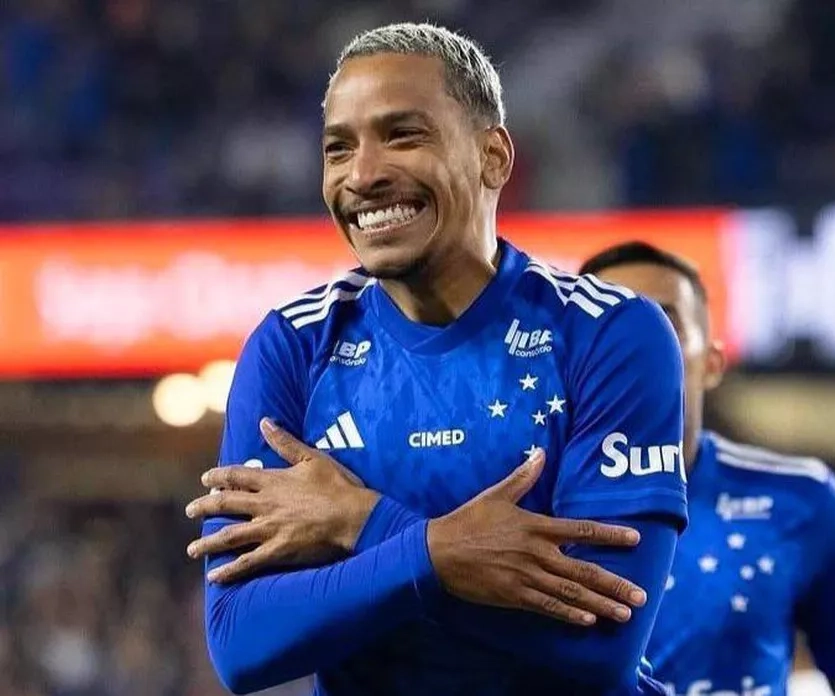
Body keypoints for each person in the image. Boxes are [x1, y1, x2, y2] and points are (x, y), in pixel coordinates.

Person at [183, 23, 688, 696]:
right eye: (338, 148)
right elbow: (241, 641)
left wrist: (361, 524)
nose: (363, 175)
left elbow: (602, 643)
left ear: (493, 158)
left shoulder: (609, 334)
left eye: (402, 135)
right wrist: (441, 553)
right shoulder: (292, 347)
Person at [580, 242, 835, 696]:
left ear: (711, 364)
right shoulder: (524, 502)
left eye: (664, 324)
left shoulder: (801, 501)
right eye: (610, 327)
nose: (638, 346)